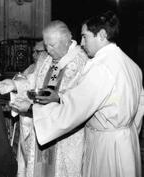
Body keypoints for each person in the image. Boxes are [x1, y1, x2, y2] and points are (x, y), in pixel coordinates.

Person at [10, 11, 144, 177]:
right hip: (127, 142)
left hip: (106, 145)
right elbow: (139, 110)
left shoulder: (100, 67)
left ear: (102, 35)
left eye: (85, 37)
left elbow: (74, 110)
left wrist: (31, 109)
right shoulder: (131, 65)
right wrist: (123, 132)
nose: (81, 42)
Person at [0, 20, 89, 177]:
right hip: (41, 126)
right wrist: (14, 84)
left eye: (52, 45)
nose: (48, 50)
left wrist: (58, 98)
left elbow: (82, 99)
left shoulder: (82, 62)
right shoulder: (47, 59)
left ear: (67, 41)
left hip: (65, 136)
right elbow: (34, 80)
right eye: (46, 45)